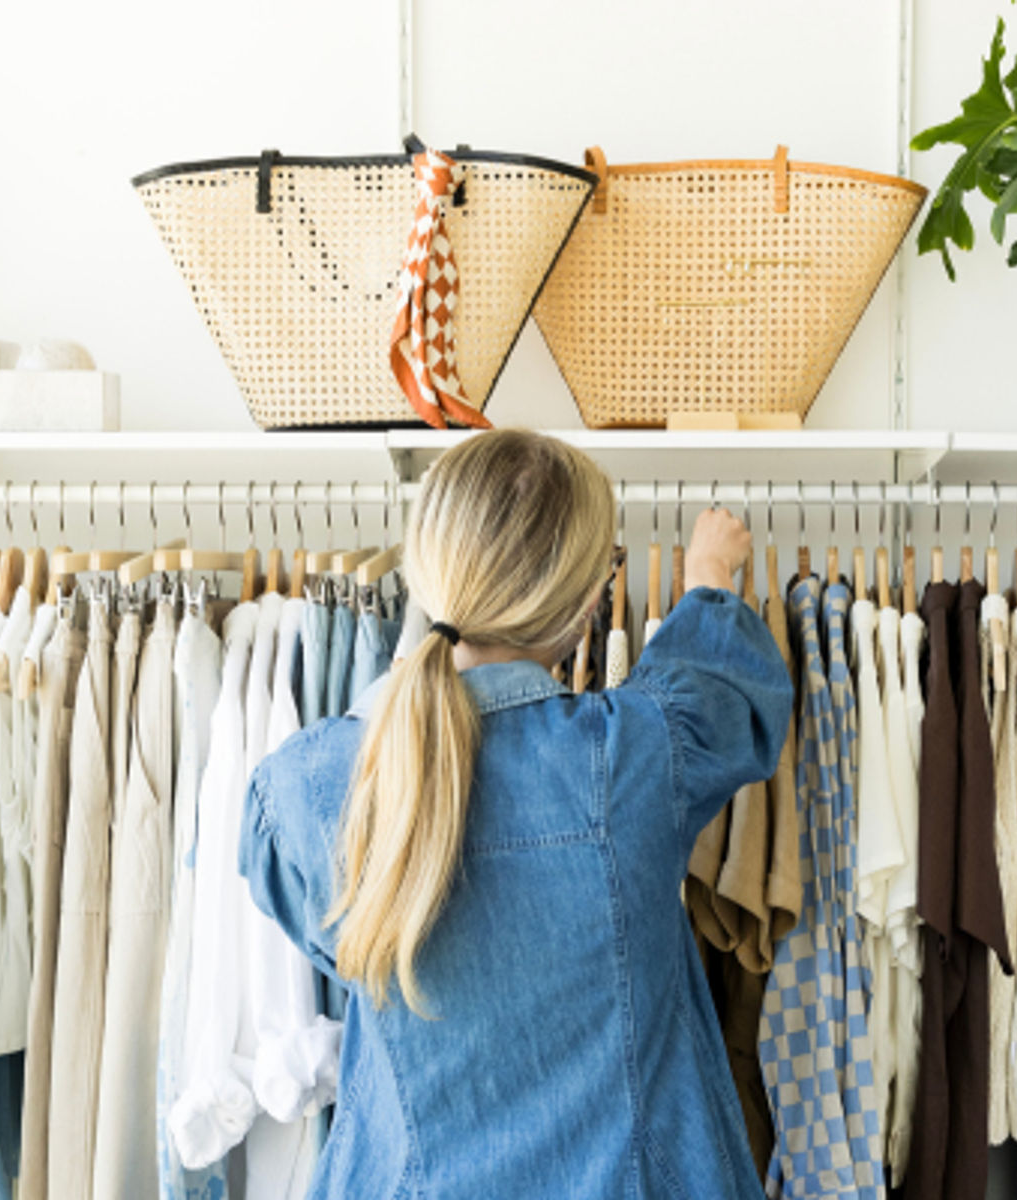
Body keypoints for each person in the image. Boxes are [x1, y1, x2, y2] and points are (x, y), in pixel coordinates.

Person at [241, 429, 794, 1198]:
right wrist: (707, 578)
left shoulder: (308, 788)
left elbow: (333, 933)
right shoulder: (632, 759)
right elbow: (723, 694)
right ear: (583, 609)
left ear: (426, 572)